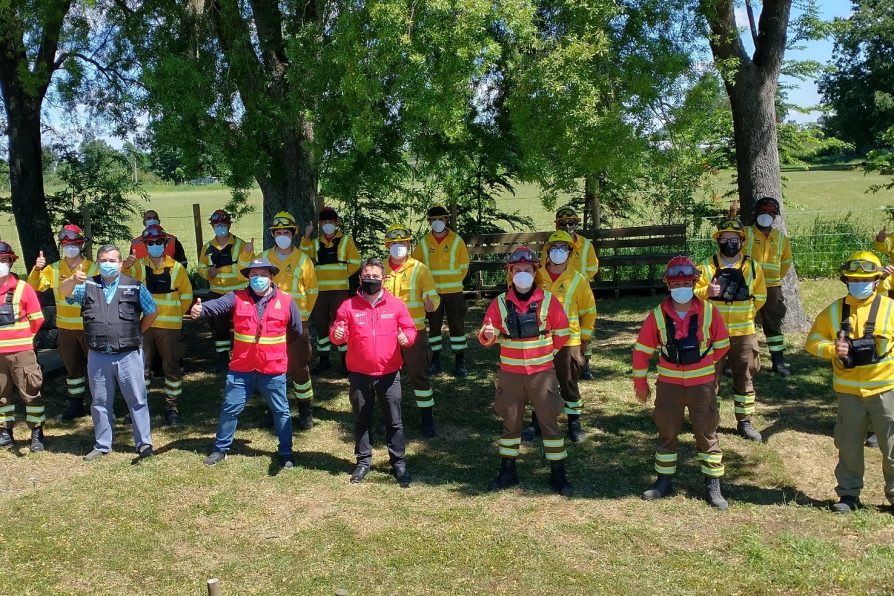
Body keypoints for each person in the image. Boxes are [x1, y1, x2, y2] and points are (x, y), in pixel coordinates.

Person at [632, 256, 732, 510]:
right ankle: (664, 481)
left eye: (686, 283)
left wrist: (706, 372)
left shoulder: (710, 312)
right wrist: (640, 382)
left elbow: (722, 346)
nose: (681, 288)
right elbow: (642, 350)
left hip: (702, 386)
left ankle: (713, 486)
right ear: (668, 285)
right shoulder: (656, 316)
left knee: (707, 433)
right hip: (669, 386)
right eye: (675, 284)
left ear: (694, 283)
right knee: (667, 433)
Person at [478, 246, 573, 496]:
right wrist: (488, 336)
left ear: (535, 272)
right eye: (517, 270)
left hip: (542, 374)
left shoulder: (549, 300)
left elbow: (563, 333)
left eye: (527, 270)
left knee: (549, 423)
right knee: (511, 424)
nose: (522, 274)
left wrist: (545, 353)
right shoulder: (499, 303)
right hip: (510, 375)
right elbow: (487, 334)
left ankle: (558, 475)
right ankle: (507, 472)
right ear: (511, 273)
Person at [805, 251, 894, 513]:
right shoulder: (833, 311)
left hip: (885, 389)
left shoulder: (890, 309)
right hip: (848, 393)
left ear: (877, 281)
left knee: (891, 447)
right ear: (845, 281)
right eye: (853, 279)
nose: (859, 283)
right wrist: (832, 349)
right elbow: (812, 342)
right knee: (849, 446)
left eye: (864, 279)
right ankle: (848, 495)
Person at [191, 257, 301, 470]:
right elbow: (217, 305)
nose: (257, 279)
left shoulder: (287, 301)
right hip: (241, 367)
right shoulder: (237, 297)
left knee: (281, 411)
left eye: (262, 275)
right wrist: (201, 309)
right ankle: (221, 449)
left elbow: (295, 330)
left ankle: (286, 453)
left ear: (271, 277)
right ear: (248, 278)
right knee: (230, 408)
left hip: (273, 367)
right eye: (253, 275)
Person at [61, 244, 157, 461]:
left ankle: (144, 444)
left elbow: (152, 312)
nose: (108, 264)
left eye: (112, 260)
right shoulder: (86, 285)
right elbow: (64, 293)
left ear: (121, 263)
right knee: (100, 402)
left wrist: (137, 331)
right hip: (98, 354)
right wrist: (71, 280)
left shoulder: (134, 286)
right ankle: (102, 444)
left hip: (129, 354)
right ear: (98, 263)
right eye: (103, 260)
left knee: (138, 400)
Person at [330, 258, 416, 487]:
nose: (371, 280)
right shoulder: (348, 306)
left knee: (394, 422)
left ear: (383, 279)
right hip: (359, 373)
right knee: (361, 420)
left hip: (389, 374)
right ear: (360, 278)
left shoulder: (396, 305)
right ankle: (363, 462)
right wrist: (336, 335)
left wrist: (407, 338)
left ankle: (398, 463)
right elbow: (337, 331)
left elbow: (409, 328)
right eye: (367, 276)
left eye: (376, 277)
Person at [694, 219, 767, 442]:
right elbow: (692, 294)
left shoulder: (753, 266)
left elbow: (761, 296)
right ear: (718, 241)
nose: (729, 243)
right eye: (724, 239)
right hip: (711, 333)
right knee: (708, 378)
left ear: (742, 241)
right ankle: (708, 420)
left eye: (733, 239)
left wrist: (747, 311)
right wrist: (708, 290)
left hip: (743, 332)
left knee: (745, 375)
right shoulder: (705, 265)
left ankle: (744, 421)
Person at [526, 230, 596, 443]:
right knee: (539, 383)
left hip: (569, 341)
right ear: (547, 251)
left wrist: (584, 341)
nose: (558, 252)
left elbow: (588, 311)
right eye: (554, 248)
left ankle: (574, 422)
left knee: (568, 382)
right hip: (541, 339)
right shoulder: (536, 276)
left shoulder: (578, 279)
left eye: (563, 248)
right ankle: (536, 422)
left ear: (570, 252)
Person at [27, 224, 98, 420]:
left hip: (89, 327)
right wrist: (36, 269)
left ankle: (98, 404)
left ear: (81, 245)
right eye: (66, 244)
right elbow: (36, 286)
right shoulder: (54, 268)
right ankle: (76, 404)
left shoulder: (93, 267)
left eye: (73, 244)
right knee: (72, 368)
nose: (70, 248)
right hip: (66, 329)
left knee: (95, 368)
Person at [124, 225, 193, 426]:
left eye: (158, 242)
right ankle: (138, 408)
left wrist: (176, 315)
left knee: (171, 367)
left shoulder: (176, 268)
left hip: (170, 327)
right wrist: (125, 266)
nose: (155, 246)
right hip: (145, 326)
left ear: (165, 243)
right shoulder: (137, 266)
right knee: (140, 368)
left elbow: (186, 295)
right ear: (145, 245)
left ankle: (172, 408)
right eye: (151, 243)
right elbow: (122, 285)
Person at [261, 211, 319, 430]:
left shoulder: (304, 260)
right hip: (269, 323)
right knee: (270, 368)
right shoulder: (265, 257)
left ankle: (305, 411)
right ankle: (273, 409)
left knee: (299, 366)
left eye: (286, 232)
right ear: (273, 234)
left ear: (293, 234)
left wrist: (302, 318)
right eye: (279, 232)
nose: (282, 235)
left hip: (297, 323)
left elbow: (312, 292)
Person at [383, 224, 440, 437]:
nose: (399, 246)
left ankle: (427, 418)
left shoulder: (419, 268)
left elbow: (433, 295)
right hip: (386, 334)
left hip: (414, 332)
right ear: (387, 245)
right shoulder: (381, 269)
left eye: (403, 243)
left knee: (419, 375)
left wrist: (430, 303)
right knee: (386, 377)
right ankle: (389, 417)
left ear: (409, 245)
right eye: (394, 243)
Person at [300, 206, 361, 375]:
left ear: (336, 222)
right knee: (321, 326)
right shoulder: (315, 242)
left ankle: (345, 362)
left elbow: (356, 261)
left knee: (340, 324)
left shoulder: (346, 240)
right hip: (319, 291)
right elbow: (303, 255)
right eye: (324, 222)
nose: (327, 224)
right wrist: (306, 236)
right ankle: (324, 360)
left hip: (339, 290)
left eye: (330, 221)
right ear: (320, 224)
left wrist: (343, 274)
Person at [412, 205, 470, 377]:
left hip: (454, 291)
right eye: (434, 219)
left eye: (441, 219)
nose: (438, 222)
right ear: (430, 221)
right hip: (432, 293)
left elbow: (464, 265)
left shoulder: (456, 240)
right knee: (434, 327)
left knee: (457, 326)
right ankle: (435, 360)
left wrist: (454, 281)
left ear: (446, 220)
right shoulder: (423, 242)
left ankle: (460, 362)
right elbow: (416, 266)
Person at [0, 242, 47, 452]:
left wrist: (24, 339)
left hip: (22, 352)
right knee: (1, 395)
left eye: (3, 260)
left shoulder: (23, 288)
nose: (1, 264)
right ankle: (5, 432)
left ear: (10, 262)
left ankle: (37, 433)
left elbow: (37, 320)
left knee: (31, 392)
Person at [545, 206, 599, 380]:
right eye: (563, 224)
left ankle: (585, 364)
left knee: (585, 326)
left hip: (580, 290)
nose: (567, 226)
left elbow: (593, 267)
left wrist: (579, 281)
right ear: (557, 226)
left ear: (576, 224)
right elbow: (542, 269)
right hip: (559, 293)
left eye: (571, 223)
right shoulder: (551, 246)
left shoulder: (586, 244)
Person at [197, 209, 254, 370]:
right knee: (218, 328)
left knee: (241, 326)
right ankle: (222, 360)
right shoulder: (207, 247)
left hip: (237, 293)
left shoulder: (241, 245)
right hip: (216, 293)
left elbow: (250, 268)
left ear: (229, 225)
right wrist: (208, 272)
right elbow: (200, 267)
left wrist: (248, 254)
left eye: (223, 224)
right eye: (217, 225)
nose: (220, 227)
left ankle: (241, 357)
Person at [743, 197, 793, 377]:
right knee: (743, 324)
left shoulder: (781, 239)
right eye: (764, 211)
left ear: (776, 216)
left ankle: (778, 362)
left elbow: (786, 263)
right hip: (746, 287)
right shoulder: (745, 234)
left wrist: (773, 280)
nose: (767, 215)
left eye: (772, 212)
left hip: (772, 288)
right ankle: (739, 362)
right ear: (757, 212)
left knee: (773, 325)